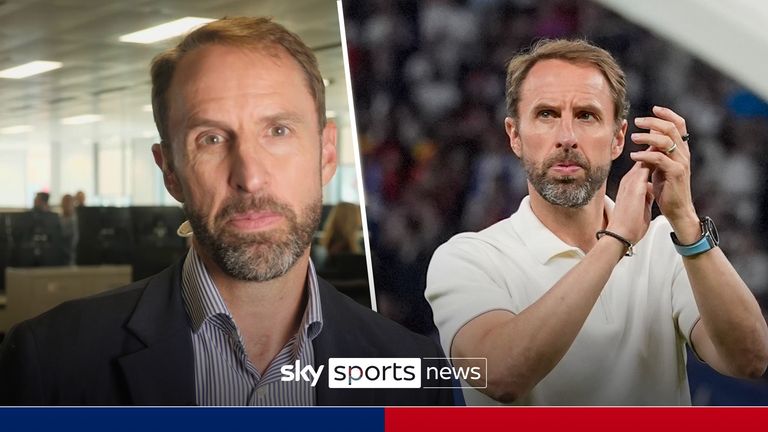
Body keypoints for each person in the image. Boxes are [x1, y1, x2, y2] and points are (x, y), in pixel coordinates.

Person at [0, 17, 453, 406]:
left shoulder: (415, 372)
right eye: (210, 139)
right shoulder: (50, 363)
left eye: (277, 131)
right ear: (170, 171)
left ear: (327, 154)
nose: (250, 177)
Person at [425, 39, 768, 405]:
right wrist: (615, 241)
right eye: (546, 114)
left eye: (586, 115)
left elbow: (749, 360)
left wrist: (685, 219)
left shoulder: (670, 245)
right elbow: (500, 375)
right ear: (515, 136)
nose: (567, 138)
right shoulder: (467, 258)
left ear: (618, 138)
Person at [59, 194, 78, 265]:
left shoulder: (77, 221)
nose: (66, 205)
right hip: (60, 257)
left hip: (74, 257)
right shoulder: (57, 220)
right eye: (64, 202)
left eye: (68, 202)